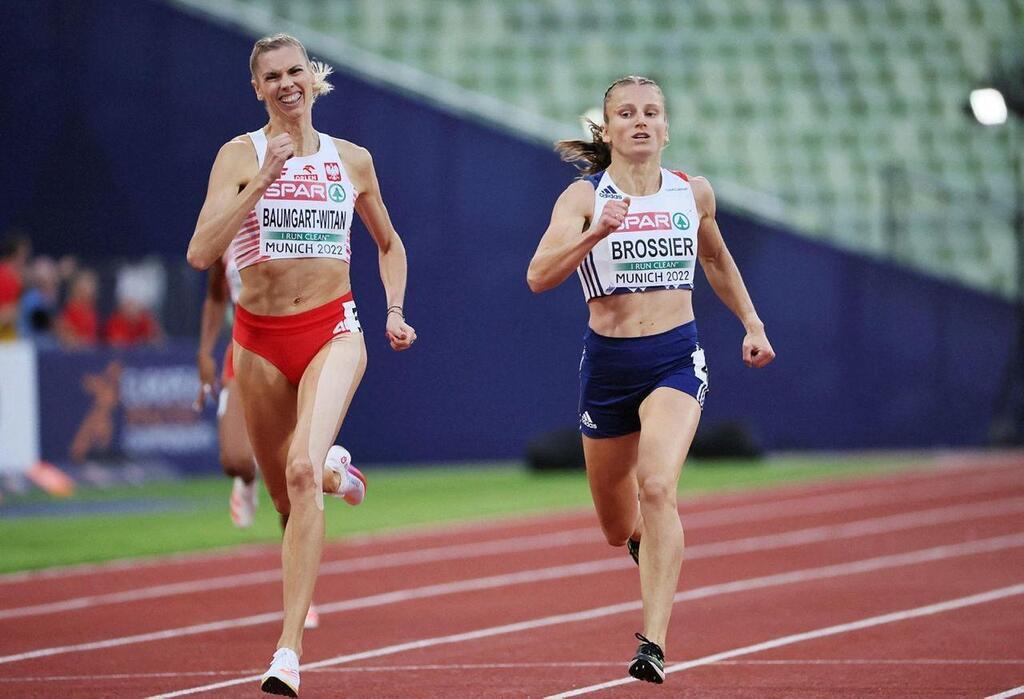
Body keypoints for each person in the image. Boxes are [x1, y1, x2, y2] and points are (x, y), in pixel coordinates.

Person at [186, 33, 416, 697]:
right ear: (257, 89)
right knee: (287, 498)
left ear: (312, 81)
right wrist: (262, 180)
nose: (286, 85)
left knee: (296, 470)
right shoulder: (240, 153)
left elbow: (390, 243)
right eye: (272, 77)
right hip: (257, 342)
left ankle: (287, 651)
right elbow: (202, 253)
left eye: (295, 73)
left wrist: (395, 308)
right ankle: (332, 467)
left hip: (332, 329)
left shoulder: (353, 161)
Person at [527, 75, 774, 685]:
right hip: (608, 367)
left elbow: (715, 258)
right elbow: (537, 275)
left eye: (652, 113)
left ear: (667, 129)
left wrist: (751, 322)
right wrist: (596, 233)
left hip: (674, 358)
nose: (641, 122)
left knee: (658, 484)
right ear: (607, 130)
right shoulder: (584, 198)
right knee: (616, 528)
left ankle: (654, 643)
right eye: (627, 114)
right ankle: (643, 541)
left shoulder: (693, 193)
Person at [193, 248, 323, 629]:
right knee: (234, 458)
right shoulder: (227, 233)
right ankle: (248, 476)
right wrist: (204, 352)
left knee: (292, 480)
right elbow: (216, 296)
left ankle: (302, 594)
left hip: (295, 349)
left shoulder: (290, 223)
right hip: (246, 351)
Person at [56, 268, 100, 348]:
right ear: (76, 288)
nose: (91, 289)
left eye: (92, 285)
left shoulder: (91, 311)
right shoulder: (69, 311)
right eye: (86, 286)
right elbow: (67, 340)